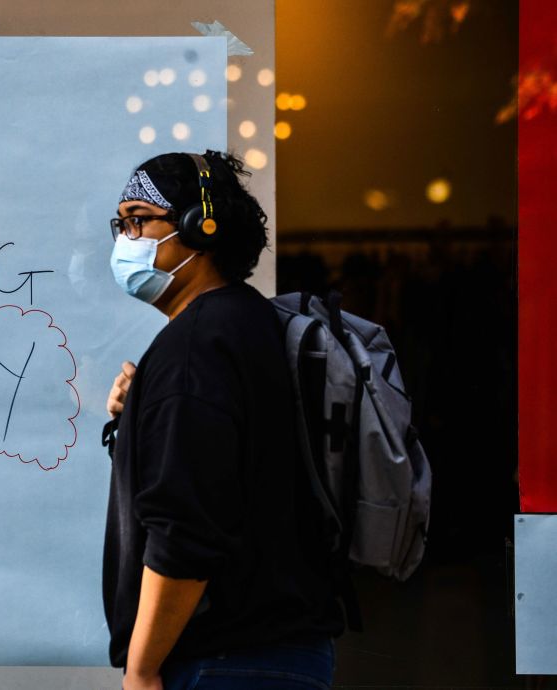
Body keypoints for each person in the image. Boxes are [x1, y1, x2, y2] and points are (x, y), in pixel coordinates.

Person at [102, 151, 345, 690]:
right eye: (121, 224)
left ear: (199, 226)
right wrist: (143, 411)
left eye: (140, 219)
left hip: (224, 662)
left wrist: (141, 670)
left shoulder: (195, 347)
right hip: (272, 655)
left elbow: (185, 528)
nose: (126, 238)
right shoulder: (245, 323)